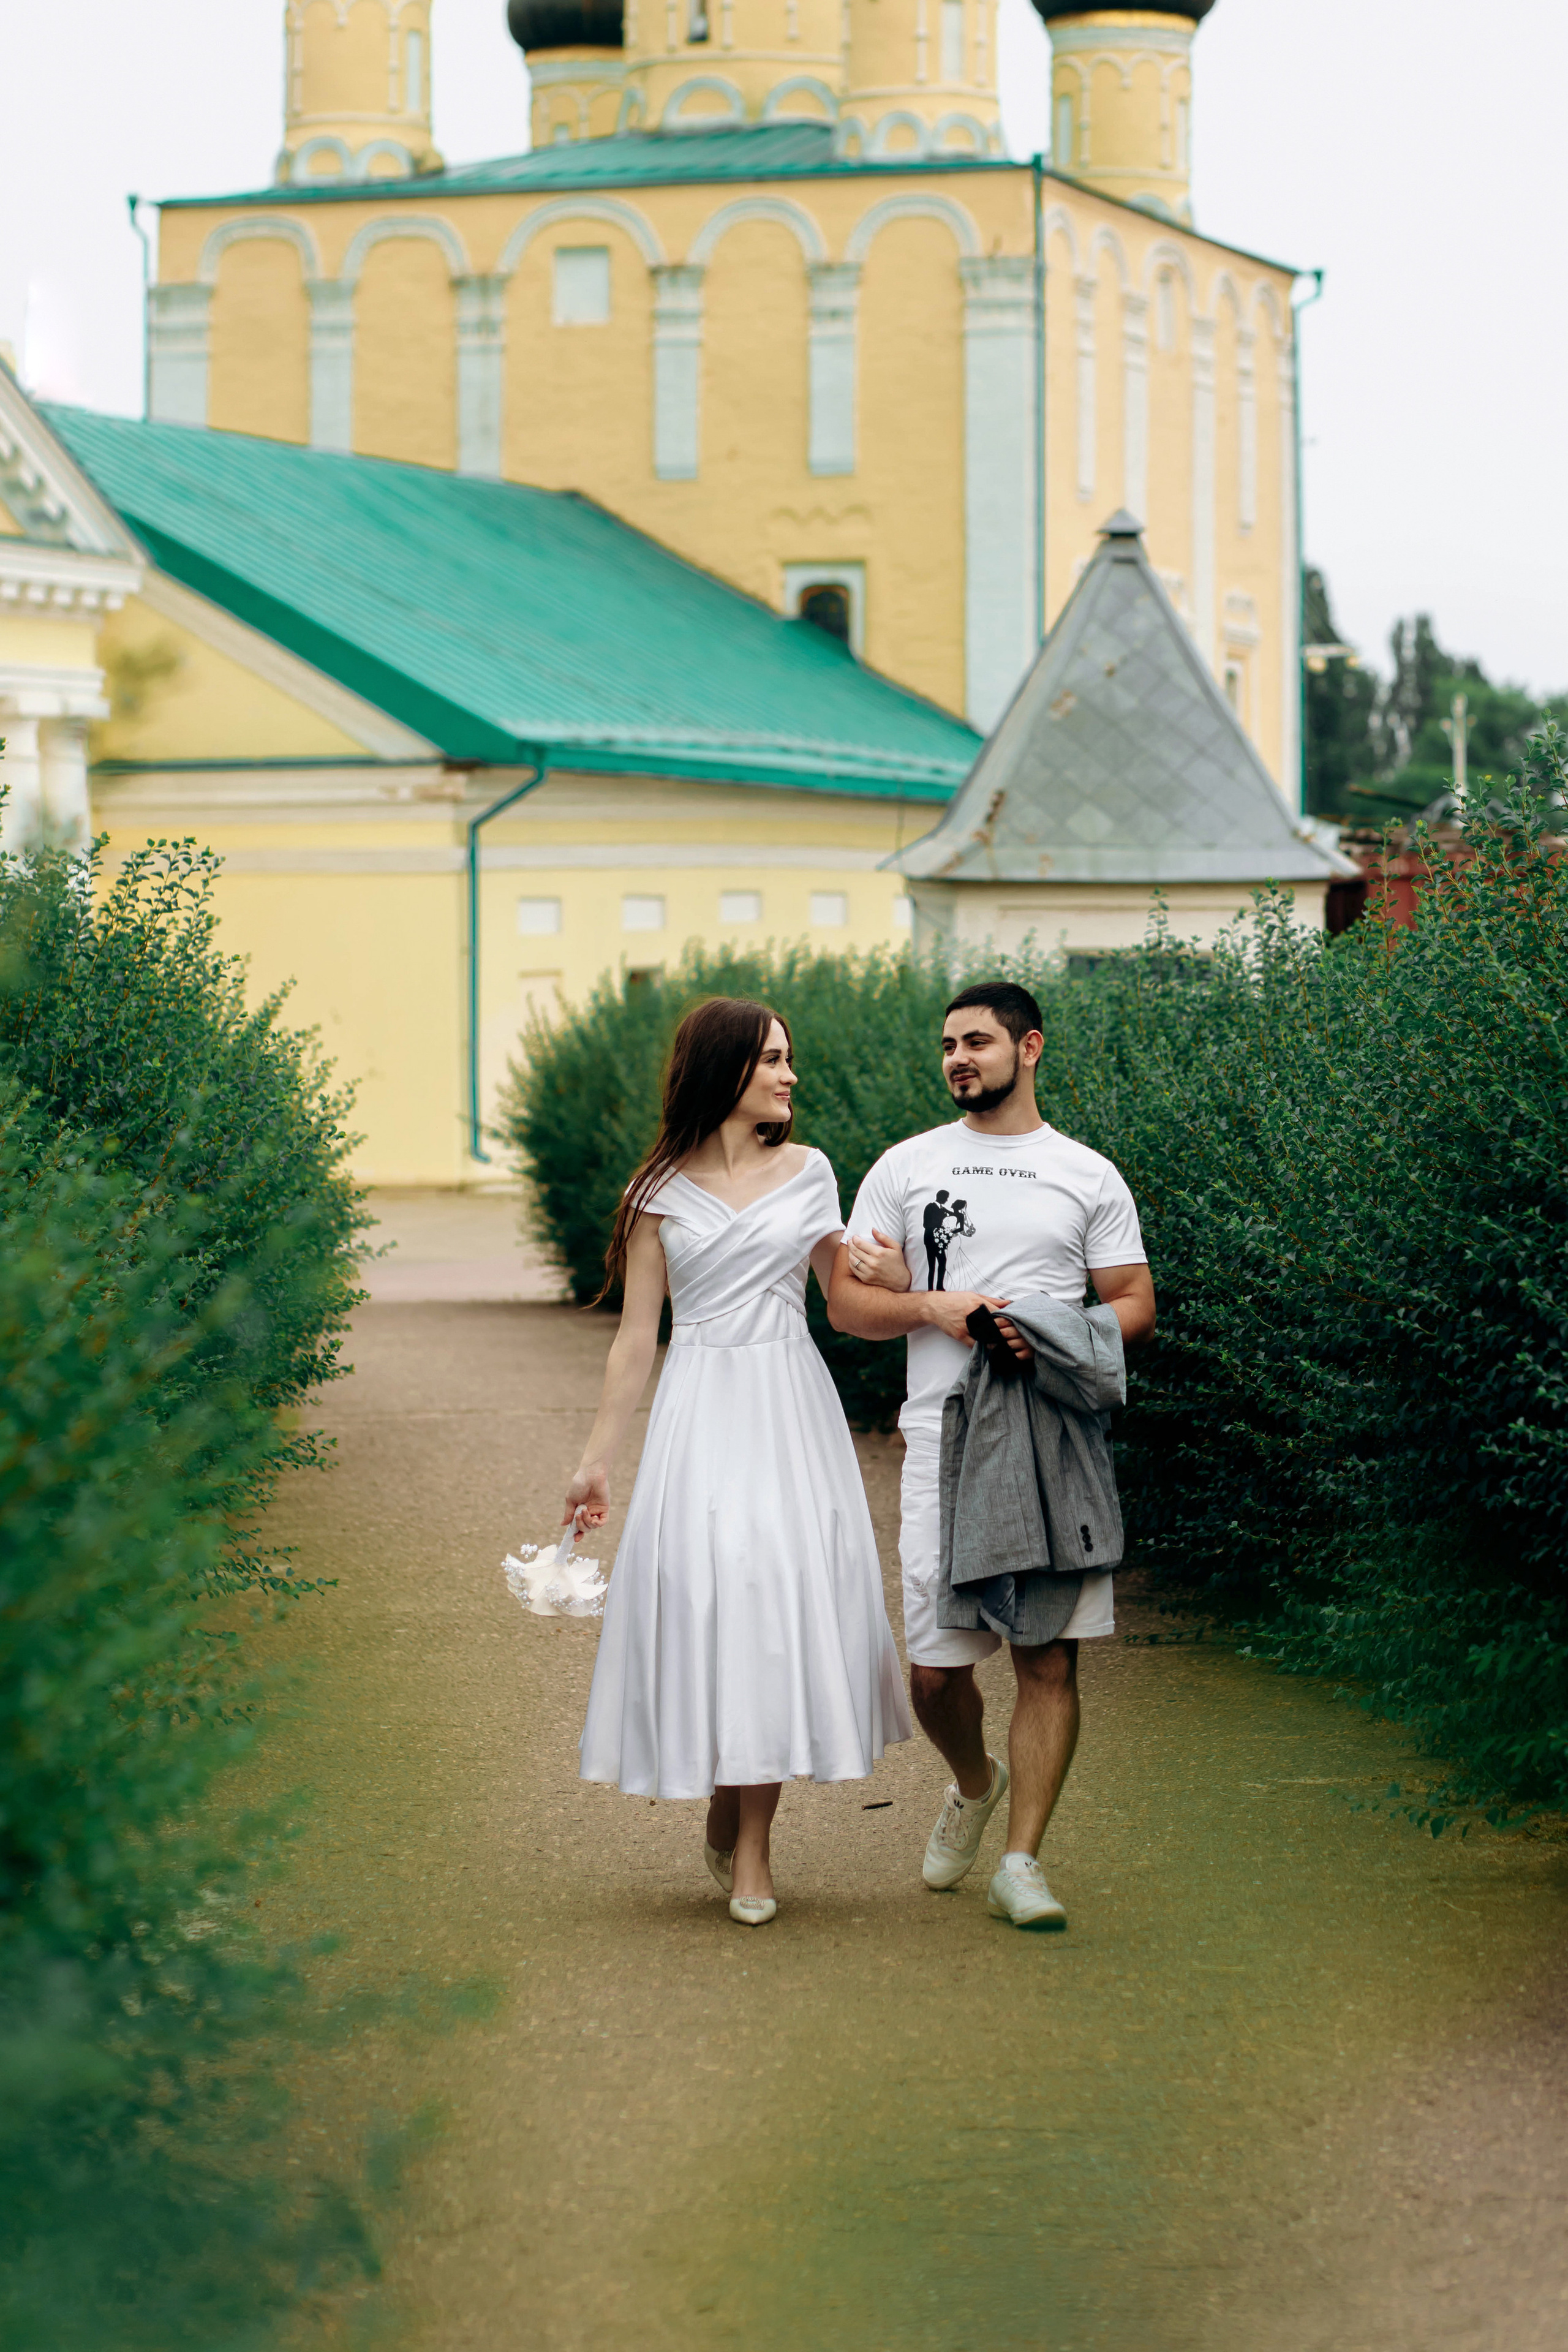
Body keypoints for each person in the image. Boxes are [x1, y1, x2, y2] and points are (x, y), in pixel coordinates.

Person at [566, 997, 911, 1928]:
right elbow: (638, 1339)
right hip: (699, 1404)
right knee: (708, 1592)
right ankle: (726, 1802)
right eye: (771, 1060)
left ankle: (753, 1846)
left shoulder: (810, 1173)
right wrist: (597, 1461)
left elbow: (844, 1297)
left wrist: (897, 1282)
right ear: (724, 1069)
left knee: (771, 1593)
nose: (790, 1076)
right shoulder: (657, 1192)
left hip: (789, 1405)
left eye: (790, 1059)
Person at [827, 981, 1155, 1930]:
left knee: (1047, 1658)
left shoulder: (1087, 1174)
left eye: (976, 1042)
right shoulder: (906, 1167)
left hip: (1053, 1435)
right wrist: (936, 1303)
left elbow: (1133, 1303)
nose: (958, 1059)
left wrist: (1045, 1329)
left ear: (1031, 1047)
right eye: (947, 1046)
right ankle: (975, 1781)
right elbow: (852, 1309)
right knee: (935, 1672)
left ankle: (1022, 1861)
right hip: (942, 1438)